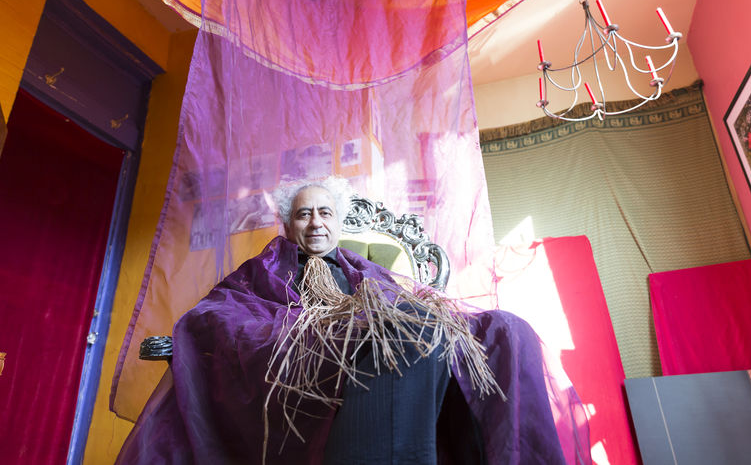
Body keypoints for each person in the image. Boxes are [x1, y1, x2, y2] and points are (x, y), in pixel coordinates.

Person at [116, 176, 583, 464]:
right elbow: (218, 316)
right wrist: (322, 329)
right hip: (306, 366)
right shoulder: (262, 270)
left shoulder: (368, 273)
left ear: (338, 223)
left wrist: (396, 317)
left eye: (325, 213)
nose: (316, 222)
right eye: (303, 215)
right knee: (401, 330)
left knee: (506, 329)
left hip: (387, 347)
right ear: (288, 226)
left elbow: (413, 305)